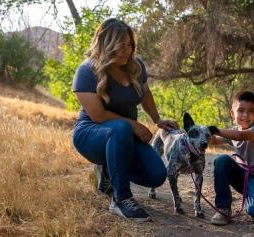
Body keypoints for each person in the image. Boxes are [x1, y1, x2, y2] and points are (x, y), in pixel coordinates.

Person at [71, 18, 178, 222]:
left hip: (124, 135)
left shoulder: (135, 66)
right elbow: (98, 116)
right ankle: (121, 198)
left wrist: (157, 119)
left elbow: (145, 93)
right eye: (120, 46)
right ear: (105, 44)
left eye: (129, 45)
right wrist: (134, 125)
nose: (126, 51)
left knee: (156, 175)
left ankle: (109, 171)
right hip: (91, 134)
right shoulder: (87, 71)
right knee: (120, 128)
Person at [208, 91, 254, 225]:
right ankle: (223, 209)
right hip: (242, 177)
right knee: (222, 161)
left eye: (251, 111)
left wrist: (215, 129)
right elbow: (214, 140)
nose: (245, 115)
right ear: (232, 114)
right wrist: (200, 133)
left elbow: (242, 136)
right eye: (241, 110)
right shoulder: (234, 131)